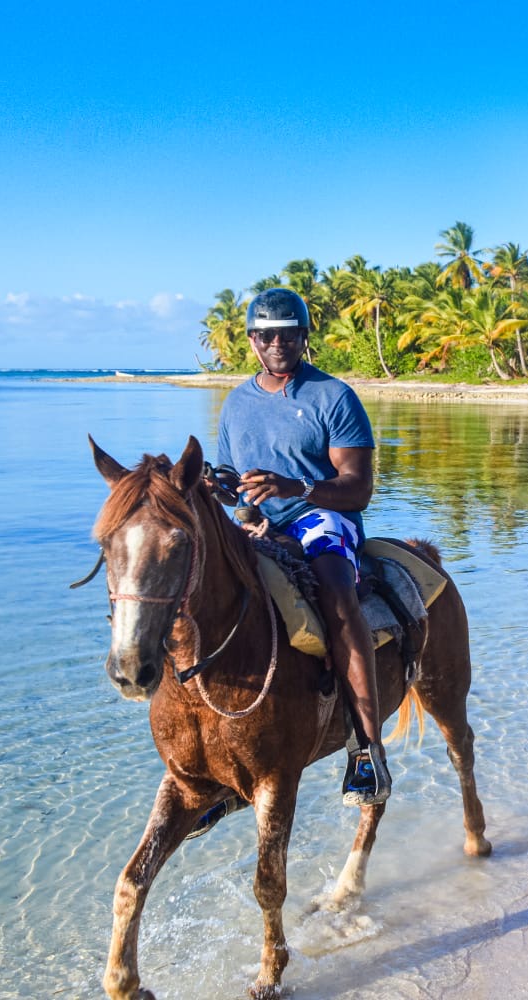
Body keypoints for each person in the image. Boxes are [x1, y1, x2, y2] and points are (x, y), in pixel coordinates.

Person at [211, 287, 391, 806]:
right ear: (251, 340)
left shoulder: (333, 397)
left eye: (287, 334)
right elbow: (232, 482)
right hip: (257, 523)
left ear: (303, 337)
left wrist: (297, 488)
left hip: (322, 517)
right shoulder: (237, 402)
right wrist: (217, 491)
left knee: (336, 595)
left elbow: (358, 487)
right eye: (265, 334)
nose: (276, 343)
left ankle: (367, 751)